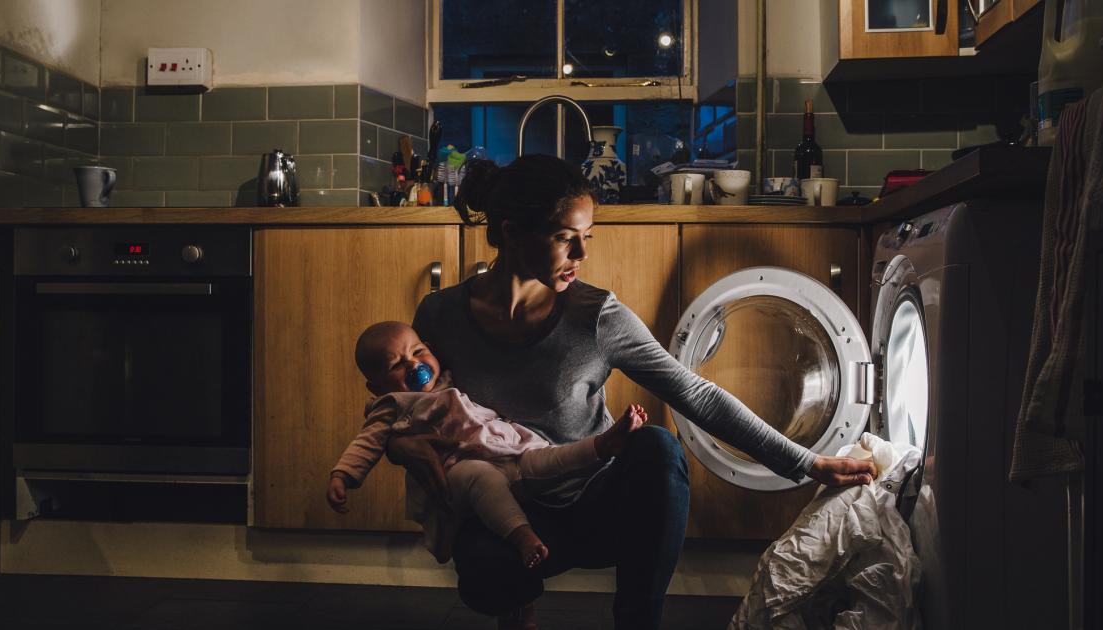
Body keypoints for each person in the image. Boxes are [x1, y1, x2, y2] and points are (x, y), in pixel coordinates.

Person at [386, 154, 877, 630]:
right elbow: (405, 407)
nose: (581, 255)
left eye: (586, 237)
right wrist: (396, 443)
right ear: (512, 232)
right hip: (507, 515)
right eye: (564, 238)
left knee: (658, 446)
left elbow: (696, 395)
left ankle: (637, 621)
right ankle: (517, 607)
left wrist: (807, 463)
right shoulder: (440, 315)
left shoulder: (596, 315)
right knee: (484, 579)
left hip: (598, 504)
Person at [327, 321, 648, 569]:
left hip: (502, 446)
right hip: (457, 466)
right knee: (482, 478)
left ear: (430, 348)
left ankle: (602, 446)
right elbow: (367, 442)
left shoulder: (448, 379)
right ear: (376, 385)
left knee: (545, 457)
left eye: (417, 352)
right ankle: (522, 535)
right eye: (396, 365)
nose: (413, 366)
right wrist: (343, 475)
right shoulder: (391, 404)